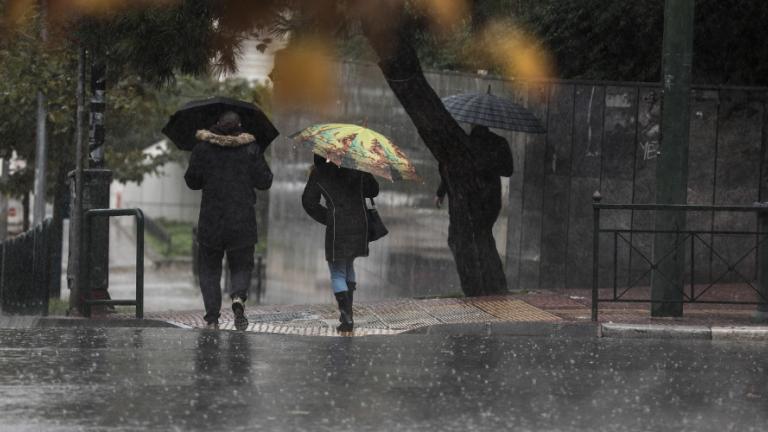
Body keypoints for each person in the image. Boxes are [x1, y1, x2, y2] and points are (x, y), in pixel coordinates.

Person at [184, 111, 273, 330]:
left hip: (211, 220)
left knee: (209, 269)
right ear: (240, 126)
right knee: (242, 265)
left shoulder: (203, 148)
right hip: (242, 219)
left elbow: (192, 181)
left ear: (216, 124)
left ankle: (212, 318)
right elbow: (265, 181)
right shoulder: (251, 148)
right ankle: (238, 299)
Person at [301, 155, 379, 332]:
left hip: (338, 227)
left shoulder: (320, 173)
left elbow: (308, 201)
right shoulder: (356, 168)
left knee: (337, 272)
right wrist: (365, 168)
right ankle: (347, 314)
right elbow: (373, 190)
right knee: (348, 264)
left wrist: (328, 217)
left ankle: (346, 316)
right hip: (359, 224)